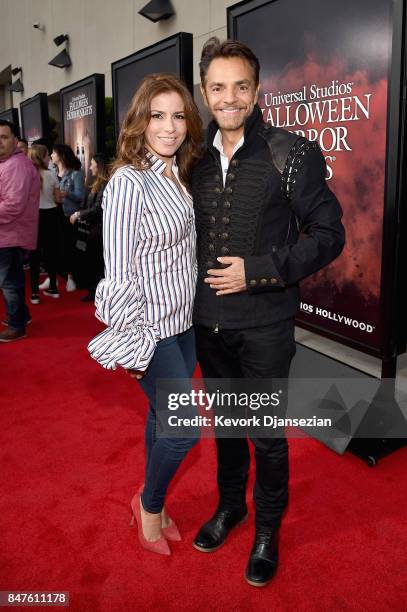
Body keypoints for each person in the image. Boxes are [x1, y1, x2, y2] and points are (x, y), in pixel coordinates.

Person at [191, 38, 345, 586]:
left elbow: (329, 234)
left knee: (264, 433)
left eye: (240, 86)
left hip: (265, 326)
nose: (229, 97)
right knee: (227, 428)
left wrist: (259, 269)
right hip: (207, 324)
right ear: (204, 92)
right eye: (217, 87)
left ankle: (267, 528)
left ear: (256, 91)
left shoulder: (291, 152)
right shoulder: (191, 158)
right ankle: (231, 506)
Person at [88, 74, 203, 555]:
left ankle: (149, 498)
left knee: (162, 416)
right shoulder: (128, 184)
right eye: (158, 115)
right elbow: (116, 271)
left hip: (184, 325)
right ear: (140, 120)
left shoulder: (179, 174)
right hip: (151, 331)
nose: (170, 127)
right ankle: (149, 504)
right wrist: (134, 340)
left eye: (178, 115)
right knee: (184, 431)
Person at [0, 120, 40, 342]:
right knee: (12, 279)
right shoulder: (8, 163)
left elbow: (13, 206)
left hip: (10, 236)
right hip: (8, 235)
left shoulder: (15, 166)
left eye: (4, 137)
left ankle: (17, 326)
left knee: (9, 283)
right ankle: (21, 317)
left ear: (15, 141)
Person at [69, 153, 108, 302]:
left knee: (97, 262)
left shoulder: (104, 184)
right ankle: (94, 291)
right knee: (93, 261)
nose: (90, 167)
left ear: (99, 166)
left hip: (98, 230)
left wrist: (79, 214)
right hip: (92, 228)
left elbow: (98, 209)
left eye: (92, 164)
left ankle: (97, 293)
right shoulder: (97, 183)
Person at [27, 144, 60, 303]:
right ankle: (53, 287)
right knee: (51, 252)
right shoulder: (51, 174)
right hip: (51, 215)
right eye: (47, 155)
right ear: (42, 157)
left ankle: (34, 293)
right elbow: (58, 199)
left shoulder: (27, 176)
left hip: (34, 217)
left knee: (34, 254)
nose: (49, 158)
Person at [50, 144, 85, 292]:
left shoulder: (75, 173)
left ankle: (72, 277)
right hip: (54, 213)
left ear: (61, 155)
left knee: (71, 247)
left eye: (53, 153)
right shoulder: (53, 171)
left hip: (69, 215)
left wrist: (66, 193)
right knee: (58, 247)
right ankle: (60, 277)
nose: (51, 155)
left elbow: (80, 197)